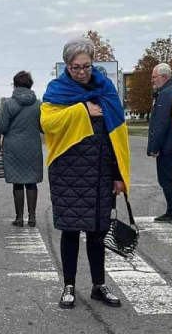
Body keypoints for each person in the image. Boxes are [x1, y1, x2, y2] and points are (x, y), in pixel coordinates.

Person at [41, 37, 130, 309]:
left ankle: (98, 285)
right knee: (70, 231)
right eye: (75, 67)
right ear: (66, 66)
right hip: (68, 172)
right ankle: (68, 286)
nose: (81, 72)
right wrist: (82, 110)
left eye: (86, 66)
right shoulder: (57, 91)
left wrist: (118, 174)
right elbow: (47, 123)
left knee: (98, 232)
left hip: (102, 172)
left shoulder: (106, 90)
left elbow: (116, 134)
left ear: (93, 63)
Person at [0, 71, 43, 227]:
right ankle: (32, 217)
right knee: (31, 182)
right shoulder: (38, 104)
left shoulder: (9, 104)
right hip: (33, 146)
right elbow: (42, 127)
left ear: (15, 85)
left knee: (17, 182)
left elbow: (2, 127)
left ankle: (19, 217)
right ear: (30, 86)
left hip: (13, 147)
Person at [147, 63, 172, 222]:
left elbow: (161, 123)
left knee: (166, 179)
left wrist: (154, 147)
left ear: (163, 77)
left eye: (154, 77)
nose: (152, 80)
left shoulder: (165, 94)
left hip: (167, 146)